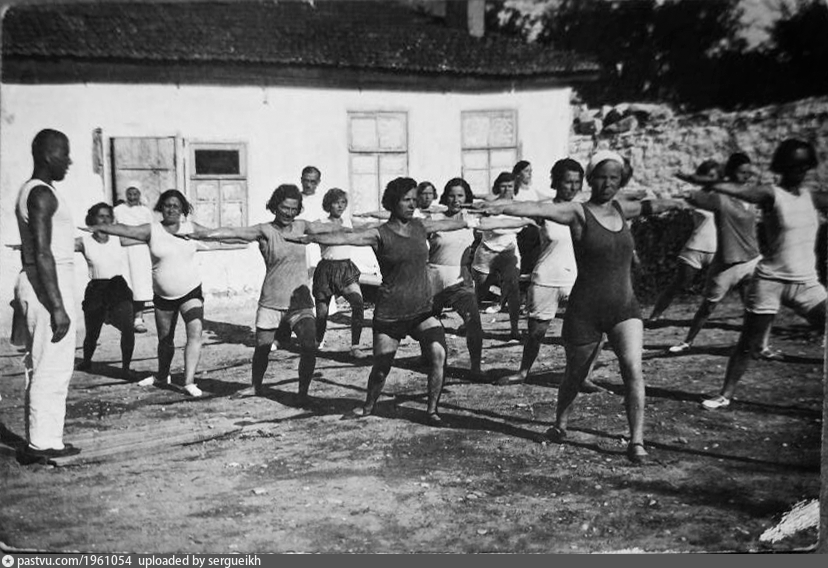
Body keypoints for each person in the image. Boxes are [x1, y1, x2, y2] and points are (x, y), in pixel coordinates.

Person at [476, 150, 686, 463]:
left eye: (614, 178)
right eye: (601, 177)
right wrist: (500, 205)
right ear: (591, 179)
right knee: (574, 375)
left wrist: (682, 201)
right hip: (586, 309)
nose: (608, 183)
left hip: (625, 308)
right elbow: (538, 208)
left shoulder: (622, 208)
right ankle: (560, 423)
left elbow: (652, 206)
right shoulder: (578, 212)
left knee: (632, 369)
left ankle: (637, 441)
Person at [294, 177, 487, 426]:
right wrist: (311, 238)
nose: (412, 204)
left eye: (414, 200)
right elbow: (347, 237)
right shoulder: (379, 233)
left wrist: (472, 219)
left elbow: (451, 223)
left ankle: (432, 411)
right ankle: (368, 405)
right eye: (406, 200)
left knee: (439, 354)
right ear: (393, 202)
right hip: (391, 312)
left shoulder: (420, 226)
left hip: (421, 309)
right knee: (381, 369)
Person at [696, 139, 828, 410]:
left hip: (806, 283)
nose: (800, 171)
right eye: (794, 166)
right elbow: (743, 191)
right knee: (748, 342)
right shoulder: (771, 194)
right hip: (770, 281)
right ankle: (725, 394)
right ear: (782, 167)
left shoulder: (812, 197)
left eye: (804, 166)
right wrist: (707, 182)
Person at [186, 184, 350, 400]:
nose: (289, 213)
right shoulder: (264, 230)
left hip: (299, 303)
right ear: (274, 207)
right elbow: (233, 233)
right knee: (262, 349)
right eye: (284, 208)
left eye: (293, 209)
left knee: (309, 345)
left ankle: (303, 393)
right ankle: (256, 386)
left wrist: (360, 230)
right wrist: (202, 234)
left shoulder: (302, 226)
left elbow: (332, 229)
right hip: (271, 302)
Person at [85, 189, 213, 398]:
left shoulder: (191, 228)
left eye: (176, 206)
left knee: (195, 333)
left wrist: (247, 237)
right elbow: (126, 230)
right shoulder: (152, 230)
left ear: (182, 209)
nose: (171, 209)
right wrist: (99, 226)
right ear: (161, 208)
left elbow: (217, 234)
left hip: (191, 291)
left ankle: (189, 382)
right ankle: (162, 376)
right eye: (167, 205)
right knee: (165, 340)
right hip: (163, 295)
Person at [496, 158, 600, 393]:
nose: (572, 187)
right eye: (567, 181)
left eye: (577, 182)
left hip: (578, 280)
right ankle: (523, 372)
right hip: (546, 278)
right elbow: (518, 211)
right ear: (556, 182)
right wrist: (492, 209)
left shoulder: (585, 211)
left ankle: (584, 376)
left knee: (595, 332)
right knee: (536, 334)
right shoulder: (544, 209)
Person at [12, 128, 81, 464]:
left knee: (46, 364)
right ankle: (41, 444)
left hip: (46, 279)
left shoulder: (36, 191)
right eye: (63, 153)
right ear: (46, 154)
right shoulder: (41, 194)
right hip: (48, 284)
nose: (68, 161)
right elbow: (43, 253)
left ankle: (46, 439)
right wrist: (57, 307)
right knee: (51, 366)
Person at [429, 178, 533, 379]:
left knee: (474, 323)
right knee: (429, 324)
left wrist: (525, 221)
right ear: (445, 197)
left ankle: (475, 368)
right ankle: (427, 357)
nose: (456, 200)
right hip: (432, 277)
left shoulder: (472, 218)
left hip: (459, 279)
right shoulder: (434, 217)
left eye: (460, 195)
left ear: (466, 197)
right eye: (451, 195)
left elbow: (500, 222)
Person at [668, 153, 763, 355]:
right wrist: (686, 187)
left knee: (754, 306)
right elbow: (696, 195)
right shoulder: (720, 198)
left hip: (752, 260)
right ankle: (687, 342)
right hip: (727, 263)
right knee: (708, 307)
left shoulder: (751, 196)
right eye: (741, 172)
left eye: (748, 172)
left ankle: (759, 345)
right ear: (731, 173)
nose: (746, 176)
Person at [647, 160, 721, 322]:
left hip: (718, 250)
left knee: (740, 281)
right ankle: (654, 316)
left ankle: (751, 314)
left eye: (714, 176)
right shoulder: (694, 196)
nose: (710, 180)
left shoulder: (725, 198)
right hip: (696, 248)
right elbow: (676, 203)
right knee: (678, 284)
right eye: (707, 176)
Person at [76, 203, 136, 379]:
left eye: (108, 216)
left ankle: (126, 368)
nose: (104, 219)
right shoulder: (83, 241)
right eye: (100, 216)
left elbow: (145, 237)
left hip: (118, 287)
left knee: (128, 328)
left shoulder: (119, 239)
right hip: (96, 290)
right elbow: (57, 246)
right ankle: (87, 361)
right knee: (92, 333)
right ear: (92, 218)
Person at [313, 188, 368, 359]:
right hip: (326, 269)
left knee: (358, 303)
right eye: (336, 202)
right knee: (322, 313)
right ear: (328, 204)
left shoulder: (349, 222)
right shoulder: (320, 222)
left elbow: (368, 227)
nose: (340, 206)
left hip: (346, 268)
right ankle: (317, 341)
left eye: (343, 202)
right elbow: (306, 232)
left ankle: (355, 346)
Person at [472, 172, 525, 340]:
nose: (507, 189)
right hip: (486, 251)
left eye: (510, 186)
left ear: (515, 188)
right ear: (497, 187)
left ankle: (515, 329)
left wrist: (497, 227)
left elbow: (521, 226)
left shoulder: (519, 206)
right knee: (480, 291)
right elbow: (478, 226)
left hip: (509, 252)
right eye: (503, 186)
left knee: (513, 290)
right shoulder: (488, 205)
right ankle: (470, 324)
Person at [114, 185, 154, 333]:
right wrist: (131, 239)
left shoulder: (145, 212)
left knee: (140, 285)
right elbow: (116, 233)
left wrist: (131, 239)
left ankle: (138, 319)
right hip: (123, 252)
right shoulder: (118, 210)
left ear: (139, 194)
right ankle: (126, 319)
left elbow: (149, 233)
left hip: (141, 253)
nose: (132, 197)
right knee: (126, 284)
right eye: (129, 194)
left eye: (135, 194)